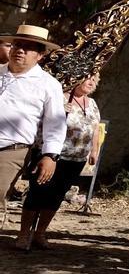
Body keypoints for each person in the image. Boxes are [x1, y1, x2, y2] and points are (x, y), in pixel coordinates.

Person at [17, 73, 101, 250]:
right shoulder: (59, 98)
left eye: (94, 79)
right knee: (38, 193)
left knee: (57, 195)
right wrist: (61, 111)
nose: (91, 82)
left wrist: (94, 150)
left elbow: (95, 129)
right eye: (87, 77)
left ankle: (40, 233)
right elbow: (40, 122)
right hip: (51, 155)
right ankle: (24, 234)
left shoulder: (92, 103)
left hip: (77, 158)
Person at [0, 24, 66, 249]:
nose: (20, 50)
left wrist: (50, 155)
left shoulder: (48, 85)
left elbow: (55, 123)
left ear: (39, 55)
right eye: (17, 45)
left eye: (28, 48)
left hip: (12, 149)